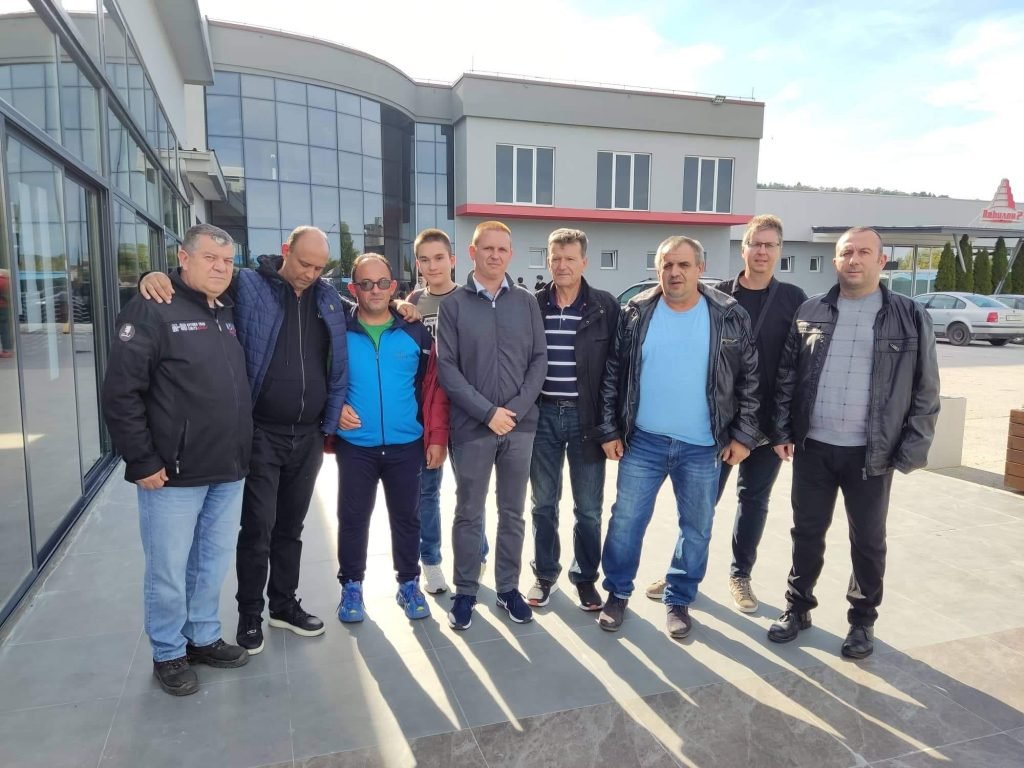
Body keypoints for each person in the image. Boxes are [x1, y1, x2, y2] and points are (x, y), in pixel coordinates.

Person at [141, 226, 348, 655]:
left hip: (308, 435)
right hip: (260, 434)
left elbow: (367, 311)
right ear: (286, 251)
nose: (310, 273)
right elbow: (199, 283)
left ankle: (284, 605)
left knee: (291, 527)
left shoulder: (328, 298)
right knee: (257, 528)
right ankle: (250, 614)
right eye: (304, 263)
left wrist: (403, 305)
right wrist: (154, 276)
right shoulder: (248, 284)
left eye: (319, 267)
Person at [768, 227, 940, 659]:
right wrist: (783, 430)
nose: (854, 259)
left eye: (864, 252)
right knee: (806, 532)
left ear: (881, 261)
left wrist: (910, 449)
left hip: (870, 453)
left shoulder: (908, 315)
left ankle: (862, 621)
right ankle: (797, 608)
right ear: (836, 260)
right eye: (847, 252)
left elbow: (926, 389)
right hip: (814, 447)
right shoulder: (811, 310)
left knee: (867, 540)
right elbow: (787, 375)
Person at [102, 224, 252, 696]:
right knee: (167, 569)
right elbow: (121, 392)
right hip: (172, 473)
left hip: (228, 467)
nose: (220, 268)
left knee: (211, 562)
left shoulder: (227, 308)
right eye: (209, 258)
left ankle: (202, 636)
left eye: (227, 261)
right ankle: (168, 651)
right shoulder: (153, 307)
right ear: (183, 259)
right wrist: (141, 460)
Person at [595, 235, 761, 638]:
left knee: (697, 527)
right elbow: (614, 373)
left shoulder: (729, 314)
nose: (674, 272)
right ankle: (617, 593)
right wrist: (609, 428)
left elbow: (750, 379)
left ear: (700, 269)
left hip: (703, 445)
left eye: (683, 265)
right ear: (658, 270)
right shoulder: (636, 312)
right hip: (643, 442)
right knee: (626, 522)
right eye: (667, 265)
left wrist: (744, 435)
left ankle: (679, 598)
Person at [645, 215, 806, 612]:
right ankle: (680, 572)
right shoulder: (715, 296)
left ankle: (740, 575)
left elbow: (797, 367)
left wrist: (786, 427)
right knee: (700, 505)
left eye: (770, 245)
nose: (762, 251)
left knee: (754, 501)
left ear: (779, 251)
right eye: (755, 244)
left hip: (766, 426)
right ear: (743, 249)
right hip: (717, 423)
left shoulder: (793, 299)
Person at [436, 220, 547, 630]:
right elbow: (448, 369)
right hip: (473, 428)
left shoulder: (526, 302)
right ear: (472, 252)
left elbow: (539, 360)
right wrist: (488, 413)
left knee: (513, 512)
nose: (495, 255)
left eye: (502, 249)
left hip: (519, 427)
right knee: (469, 513)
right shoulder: (454, 305)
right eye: (488, 248)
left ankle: (507, 588)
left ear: (510, 255)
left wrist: (513, 411)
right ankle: (465, 592)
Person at [334, 254, 449, 623]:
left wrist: (436, 437)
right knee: (353, 518)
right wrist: (333, 409)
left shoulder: (415, 332)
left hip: (406, 445)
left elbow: (432, 388)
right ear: (353, 289)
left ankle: (409, 583)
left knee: (407, 518)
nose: (375, 290)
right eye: (365, 284)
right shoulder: (338, 332)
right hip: (356, 446)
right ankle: (352, 587)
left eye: (383, 283)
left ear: (394, 286)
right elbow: (322, 379)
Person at [527, 228, 619, 611]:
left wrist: (612, 426)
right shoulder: (533, 305)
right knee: (543, 503)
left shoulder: (605, 307)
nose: (562, 265)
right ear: (548, 261)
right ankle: (544, 574)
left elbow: (616, 368)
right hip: (542, 415)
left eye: (569, 258)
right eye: (556, 258)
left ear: (584, 261)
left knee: (589, 509)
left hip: (587, 419)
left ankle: (585, 578)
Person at [407, 228, 486, 594]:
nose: (432, 265)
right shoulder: (413, 302)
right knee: (426, 492)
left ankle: (477, 554)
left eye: (439, 258)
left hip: (466, 411)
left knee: (470, 492)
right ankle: (431, 561)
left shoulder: (470, 299)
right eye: (425, 259)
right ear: (417, 264)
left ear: (453, 260)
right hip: (426, 412)